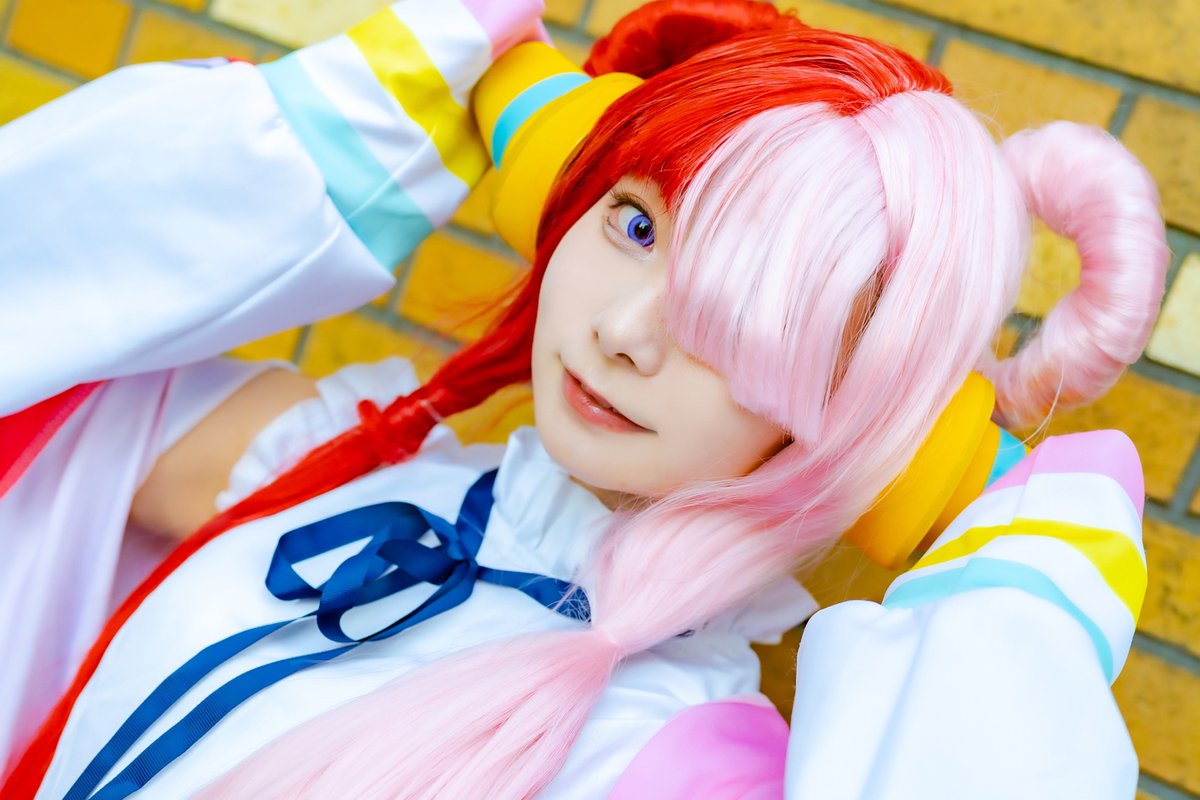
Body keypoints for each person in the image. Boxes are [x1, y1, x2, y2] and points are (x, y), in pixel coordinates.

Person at [0, 0, 1166, 797]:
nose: (621, 330)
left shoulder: (672, 756)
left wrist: (1021, 583)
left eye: (740, 317)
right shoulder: (357, 462)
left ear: (832, 411)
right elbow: (50, 310)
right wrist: (337, 128)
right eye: (636, 222)